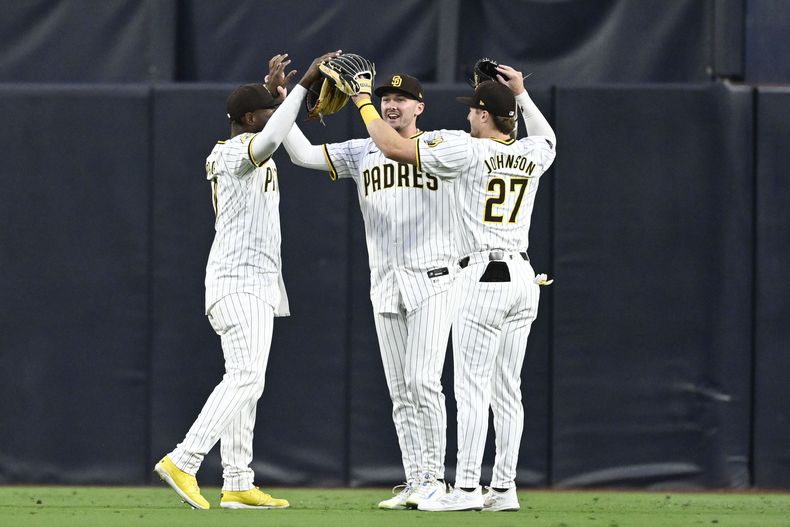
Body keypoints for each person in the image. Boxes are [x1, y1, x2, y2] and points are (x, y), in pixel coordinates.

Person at [350, 63, 557, 512]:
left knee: (471, 389)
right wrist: (521, 94)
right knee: (508, 391)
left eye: (472, 110)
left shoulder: (467, 149)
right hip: (524, 277)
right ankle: (503, 488)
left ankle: (464, 489)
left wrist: (364, 100)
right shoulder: (531, 152)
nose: (467, 116)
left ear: (483, 116)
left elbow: (392, 146)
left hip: (482, 276)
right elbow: (549, 138)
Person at [153, 50, 340, 510]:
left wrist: (278, 93)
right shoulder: (234, 151)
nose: (275, 116)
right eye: (268, 111)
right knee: (247, 378)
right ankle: (183, 459)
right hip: (239, 281)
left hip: (251, 282)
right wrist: (305, 82)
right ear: (250, 119)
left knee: (244, 381)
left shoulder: (248, 140)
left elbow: (284, 138)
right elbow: (273, 138)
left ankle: (237, 480)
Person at [281, 73, 454, 509]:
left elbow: (398, 147)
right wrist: (285, 103)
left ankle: (437, 480)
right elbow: (301, 154)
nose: (392, 104)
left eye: (402, 99)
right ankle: (417, 480)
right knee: (400, 390)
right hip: (386, 282)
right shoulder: (361, 151)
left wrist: (362, 101)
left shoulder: (441, 145)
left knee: (423, 381)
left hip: (434, 278)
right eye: (386, 97)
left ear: (420, 108)